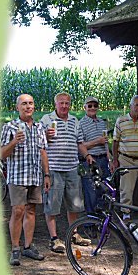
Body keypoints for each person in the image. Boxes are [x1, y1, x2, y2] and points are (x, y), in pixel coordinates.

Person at [0, 94, 51, 265]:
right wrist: (14, 142)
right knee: (18, 211)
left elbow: (43, 151)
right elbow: (1, 154)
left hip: (35, 176)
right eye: (24, 104)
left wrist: (47, 174)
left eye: (30, 103)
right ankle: (15, 248)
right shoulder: (10, 127)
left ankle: (28, 246)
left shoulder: (39, 128)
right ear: (17, 107)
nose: (28, 106)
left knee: (31, 210)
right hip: (17, 177)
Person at [40, 92, 93, 253]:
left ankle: (73, 234)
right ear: (55, 104)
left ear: (70, 105)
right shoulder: (46, 120)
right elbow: (39, 144)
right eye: (61, 103)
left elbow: (80, 143)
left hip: (72, 168)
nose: (64, 106)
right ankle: (54, 239)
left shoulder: (74, 121)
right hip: (54, 168)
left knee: (74, 204)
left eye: (67, 103)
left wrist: (87, 155)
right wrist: (46, 137)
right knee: (52, 205)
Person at [79, 96, 113, 213]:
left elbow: (105, 143)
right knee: (91, 193)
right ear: (85, 108)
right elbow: (80, 146)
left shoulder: (102, 123)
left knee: (104, 191)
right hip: (90, 161)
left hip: (103, 159)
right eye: (90, 106)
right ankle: (90, 223)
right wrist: (97, 142)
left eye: (95, 105)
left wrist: (109, 157)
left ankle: (103, 222)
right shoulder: (81, 124)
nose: (92, 108)